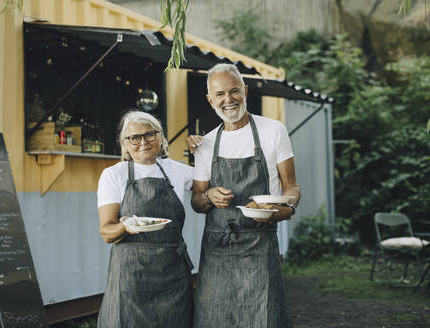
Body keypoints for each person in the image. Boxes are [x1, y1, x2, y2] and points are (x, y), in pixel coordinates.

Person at [187, 63, 300, 328]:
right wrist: (208, 197)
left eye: (234, 91)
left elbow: (291, 187)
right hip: (218, 247)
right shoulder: (206, 145)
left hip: (260, 243)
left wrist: (287, 209)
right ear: (210, 99)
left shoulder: (274, 131)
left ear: (245, 91)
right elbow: (196, 201)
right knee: (215, 319)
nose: (228, 100)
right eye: (220, 94)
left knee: (264, 317)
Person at [96, 110, 194, 328]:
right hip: (131, 273)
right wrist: (124, 226)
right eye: (134, 137)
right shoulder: (114, 175)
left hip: (172, 271)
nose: (143, 142)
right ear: (125, 143)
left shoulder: (178, 171)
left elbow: (209, 184)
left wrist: (202, 150)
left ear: (160, 137)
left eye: (149, 134)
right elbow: (106, 231)